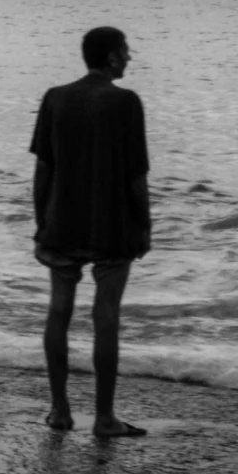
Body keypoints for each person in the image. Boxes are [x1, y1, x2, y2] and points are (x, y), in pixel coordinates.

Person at [30, 25, 151, 437]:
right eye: (126, 51)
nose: (130, 58)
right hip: (111, 224)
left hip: (61, 220)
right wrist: (144, 225)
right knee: (106, 316)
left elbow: (43, 168)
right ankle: (104, 417)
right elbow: (136, 175)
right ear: (113, 57)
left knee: (59, 310)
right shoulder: (125, 102)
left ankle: (60, 411)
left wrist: (41, 220)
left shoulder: (55, 98)